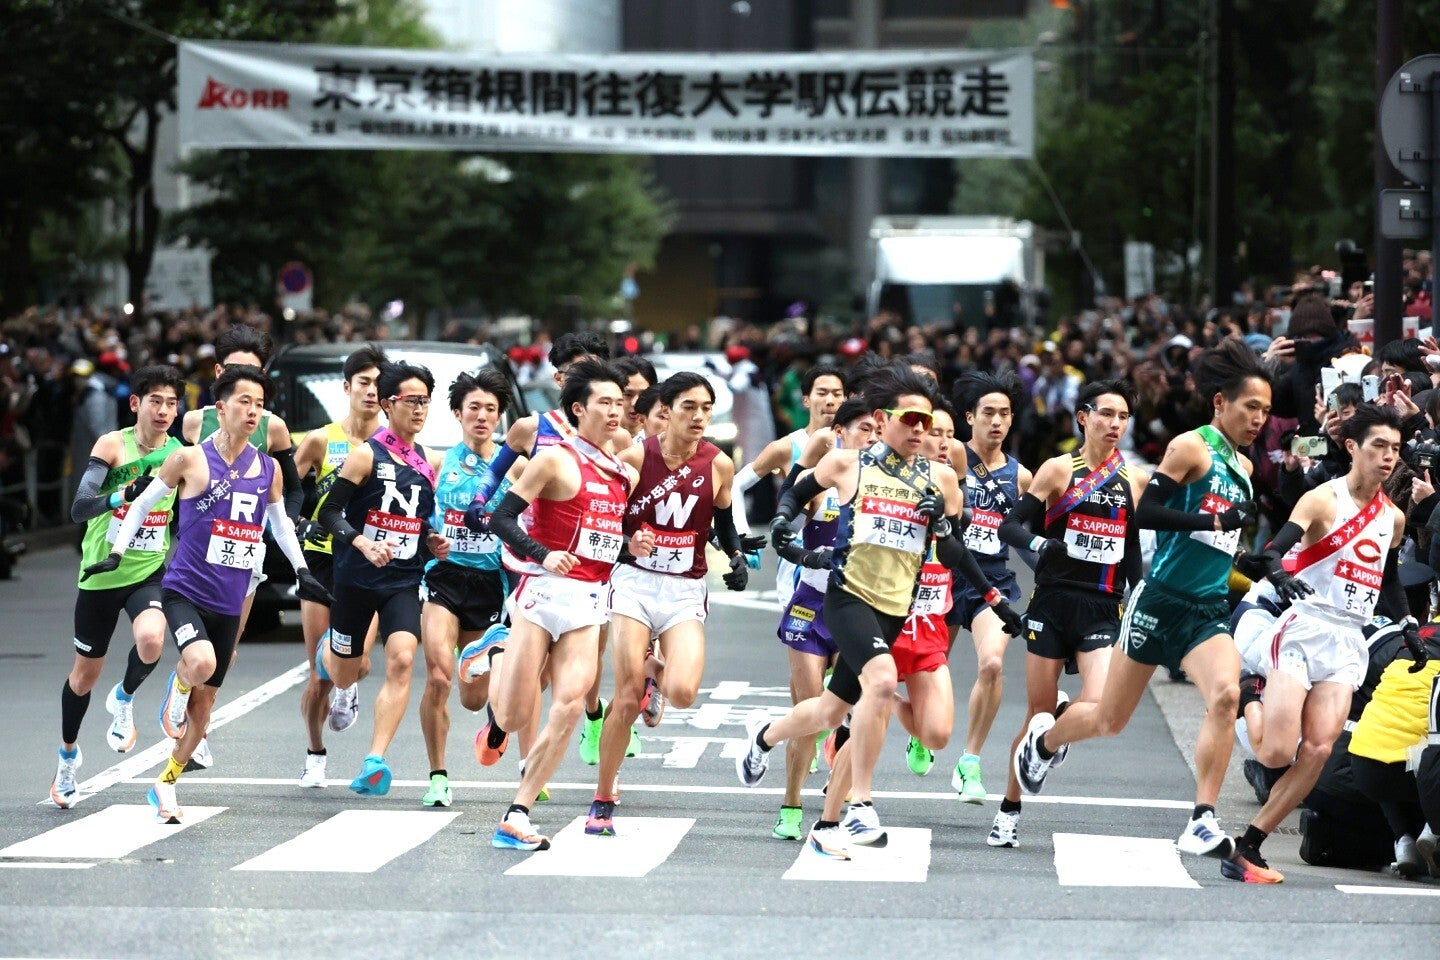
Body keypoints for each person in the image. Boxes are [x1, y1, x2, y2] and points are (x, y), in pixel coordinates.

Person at [736, 366, 1024, 852]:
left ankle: (765, 736)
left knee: (831, 710)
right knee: (885, 681)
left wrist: (986, 588)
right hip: (848, 597)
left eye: (926, 422)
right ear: (880, 418)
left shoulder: (942, 478)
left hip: (897, 607)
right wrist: (783, 527)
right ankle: (860, 807)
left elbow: (953, 553)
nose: (920, 431)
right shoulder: (848, 464)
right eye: (910, 420)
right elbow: (796, 490)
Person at [1013, 337, 1270, 860]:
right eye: (1251, 407)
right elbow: (1147, 515)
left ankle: (1202, 818)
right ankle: (1042, 744)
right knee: (1109, 719)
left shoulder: (1244, 470)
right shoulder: (1191, 447)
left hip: (1206, 610)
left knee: (1226, 696)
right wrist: (1211, 519)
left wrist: (1261, 567)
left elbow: (1218, 545)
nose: (1260, 418)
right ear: (1220, 402)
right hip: (1159, 602)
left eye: (1267, 410)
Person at [80, 365, 329, 822]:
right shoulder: (190, 459)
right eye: (244, 402)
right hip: (184, 590)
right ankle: (176, 688)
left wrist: (302, 570)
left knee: (207, 704)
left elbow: (278, 524)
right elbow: (141, 504)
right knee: (202, 663)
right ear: (221, 408)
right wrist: (117, 551)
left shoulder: (269, 468)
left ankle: (166, 782)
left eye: (260, 405)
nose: (253, 412)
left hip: (229, 598)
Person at [1226, 403, 1415, 882]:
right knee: (1274, 752)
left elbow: (1387, 581)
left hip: (1349, 640)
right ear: (1351, 447)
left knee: (1318, 749)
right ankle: (1250, 696)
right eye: (1378, 446)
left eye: (1395, 448)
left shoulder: (1393, 519)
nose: (1388, 456)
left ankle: (1250, 846)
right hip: (1304, 627)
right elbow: (1274, 550)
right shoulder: (1321, 500)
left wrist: (1408, 621)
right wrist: (1274, 571)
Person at [486, 359, 650, 850]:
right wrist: (543, 553)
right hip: (541, 593)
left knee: (570, 705)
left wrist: (630, 547)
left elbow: (605, 541)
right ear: (579, 409)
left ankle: (518, 812)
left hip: (588, 602)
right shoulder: (554, 459)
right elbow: (502, 517)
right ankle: (495, 658)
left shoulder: (623, 473)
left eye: (621, 403)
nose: (616, 411)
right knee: (515, 715)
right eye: (605, 402)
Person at [586, 372, 748, 836]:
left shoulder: (719, 463)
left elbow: (722, 518)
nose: (699, 417)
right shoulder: (635, 457)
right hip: (635, 584)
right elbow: (604, 520)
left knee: (682, 693)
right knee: (625, 696)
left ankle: (657, 671)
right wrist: (625, 541)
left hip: (684, 589)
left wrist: (734, 555)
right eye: (688, 407)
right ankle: (603, 797)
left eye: (706, 408)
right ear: (667, 410)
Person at [988, 380, 1146, 848]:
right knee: (1036, 711)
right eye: (1106, 414)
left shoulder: (1133, 479)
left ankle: (1051, 739)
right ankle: (1008, 812)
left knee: (1098, 703)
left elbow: (1131, 547)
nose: (1114, 424)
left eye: (1122, 417)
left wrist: (1136, 593)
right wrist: (1042, 544)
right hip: (1052, 603)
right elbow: (1011, 526)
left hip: (1102, 605)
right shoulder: (1058, 470)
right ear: (1083, 417)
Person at [50, 365, 185, 808]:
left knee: (151, 640)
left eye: (171, 402)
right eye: (155, 401)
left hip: (147, 572)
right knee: (84, 676)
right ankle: (68, 755)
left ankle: (124, 697)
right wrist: (124, 495)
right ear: (136, 404)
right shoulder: (113, 445)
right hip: (100, 575)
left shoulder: (180, 454)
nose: (164, 410)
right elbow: (79, 508)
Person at [316, 361, 450, 797]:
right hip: (355, 578)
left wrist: (432, 538)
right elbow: (330, 512)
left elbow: (418, 516)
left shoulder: (429, 460)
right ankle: (329, 659)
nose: (420, 409)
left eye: (425, 401)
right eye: (412, 401)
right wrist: (360, 543)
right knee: (345, 673)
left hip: (402, 579)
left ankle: (374, 760)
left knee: (402, 660)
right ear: (390, 404)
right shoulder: (365, 454)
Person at [770, 396, 877, 840]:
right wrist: (786, 534)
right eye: (863, 430)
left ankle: (840, 801)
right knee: (810, 710)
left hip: (858, 608)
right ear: (841, 434)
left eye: (876, 430)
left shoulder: (886, 486)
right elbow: (790, 504)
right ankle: (791, 805)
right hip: (811, 604)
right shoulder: (824, 481)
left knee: (846, 711)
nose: (870, 439)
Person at [415, 368, 515, 808]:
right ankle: (438, 776)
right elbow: (413, 512)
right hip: (444, 577)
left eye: (490, 409)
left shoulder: (518, 467)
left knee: (473, 699)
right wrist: (427, 538)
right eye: (473, 407)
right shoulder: (439, 462)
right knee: (437, 676)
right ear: (457, 413)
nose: (482, 416)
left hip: (490, 584)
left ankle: (491, 715)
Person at [288, 344, 386, 788]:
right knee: (317, 676)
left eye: (379, 384)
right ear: (346, 388)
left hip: (368, 565)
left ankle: (351, 681)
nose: (371, 390)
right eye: (363, 382)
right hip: (322, 561)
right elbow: (283, 491)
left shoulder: (393, 445)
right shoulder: (320, 440)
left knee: (359, 662)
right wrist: (301, 521)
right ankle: (314, 754)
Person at [948, 372, 1032, 802]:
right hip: (942, 578)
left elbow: (1026, 542)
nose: (996, 422)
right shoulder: (947, 458)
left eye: (1004, 414)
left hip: (992, 586)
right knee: (925, 672)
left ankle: (970, 761)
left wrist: (1050, 570)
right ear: (969, 417)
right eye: (987, 414)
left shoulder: (1022, 477)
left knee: (992, 665)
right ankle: (922, 734)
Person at [731, 364, 847, 605]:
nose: (830, 400)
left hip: (844, 559)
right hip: (797, 561)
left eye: (837, 394)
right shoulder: (786, 447)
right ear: (805, 400)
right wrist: (743, 534)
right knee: (803, 641)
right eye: (822, 392)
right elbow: (736, 485)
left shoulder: (858, 447)